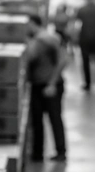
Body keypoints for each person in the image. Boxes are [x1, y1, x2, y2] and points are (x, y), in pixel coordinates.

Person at [25, 14, 67, 162]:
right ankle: (37, 154)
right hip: (38, 85)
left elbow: (62, 60)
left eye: (27, 24)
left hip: (49, 86)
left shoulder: (45, 40)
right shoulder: (41, 39)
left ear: (33, 23)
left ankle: (61, 152)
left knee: (54, 118)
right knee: (37, 121)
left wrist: (52, 83)